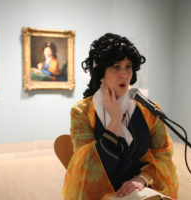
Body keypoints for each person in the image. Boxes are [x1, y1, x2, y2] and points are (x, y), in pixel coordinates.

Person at [62, 33, 178, 200]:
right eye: (116, 67)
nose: (124, 74)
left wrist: (142, 178)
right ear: (101, 72)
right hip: (99, 192)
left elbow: (163, 156)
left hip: (141, 188)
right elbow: (89, 166)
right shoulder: (82, 112)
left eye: (128, 66)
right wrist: (115, 120)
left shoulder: (148, 110)